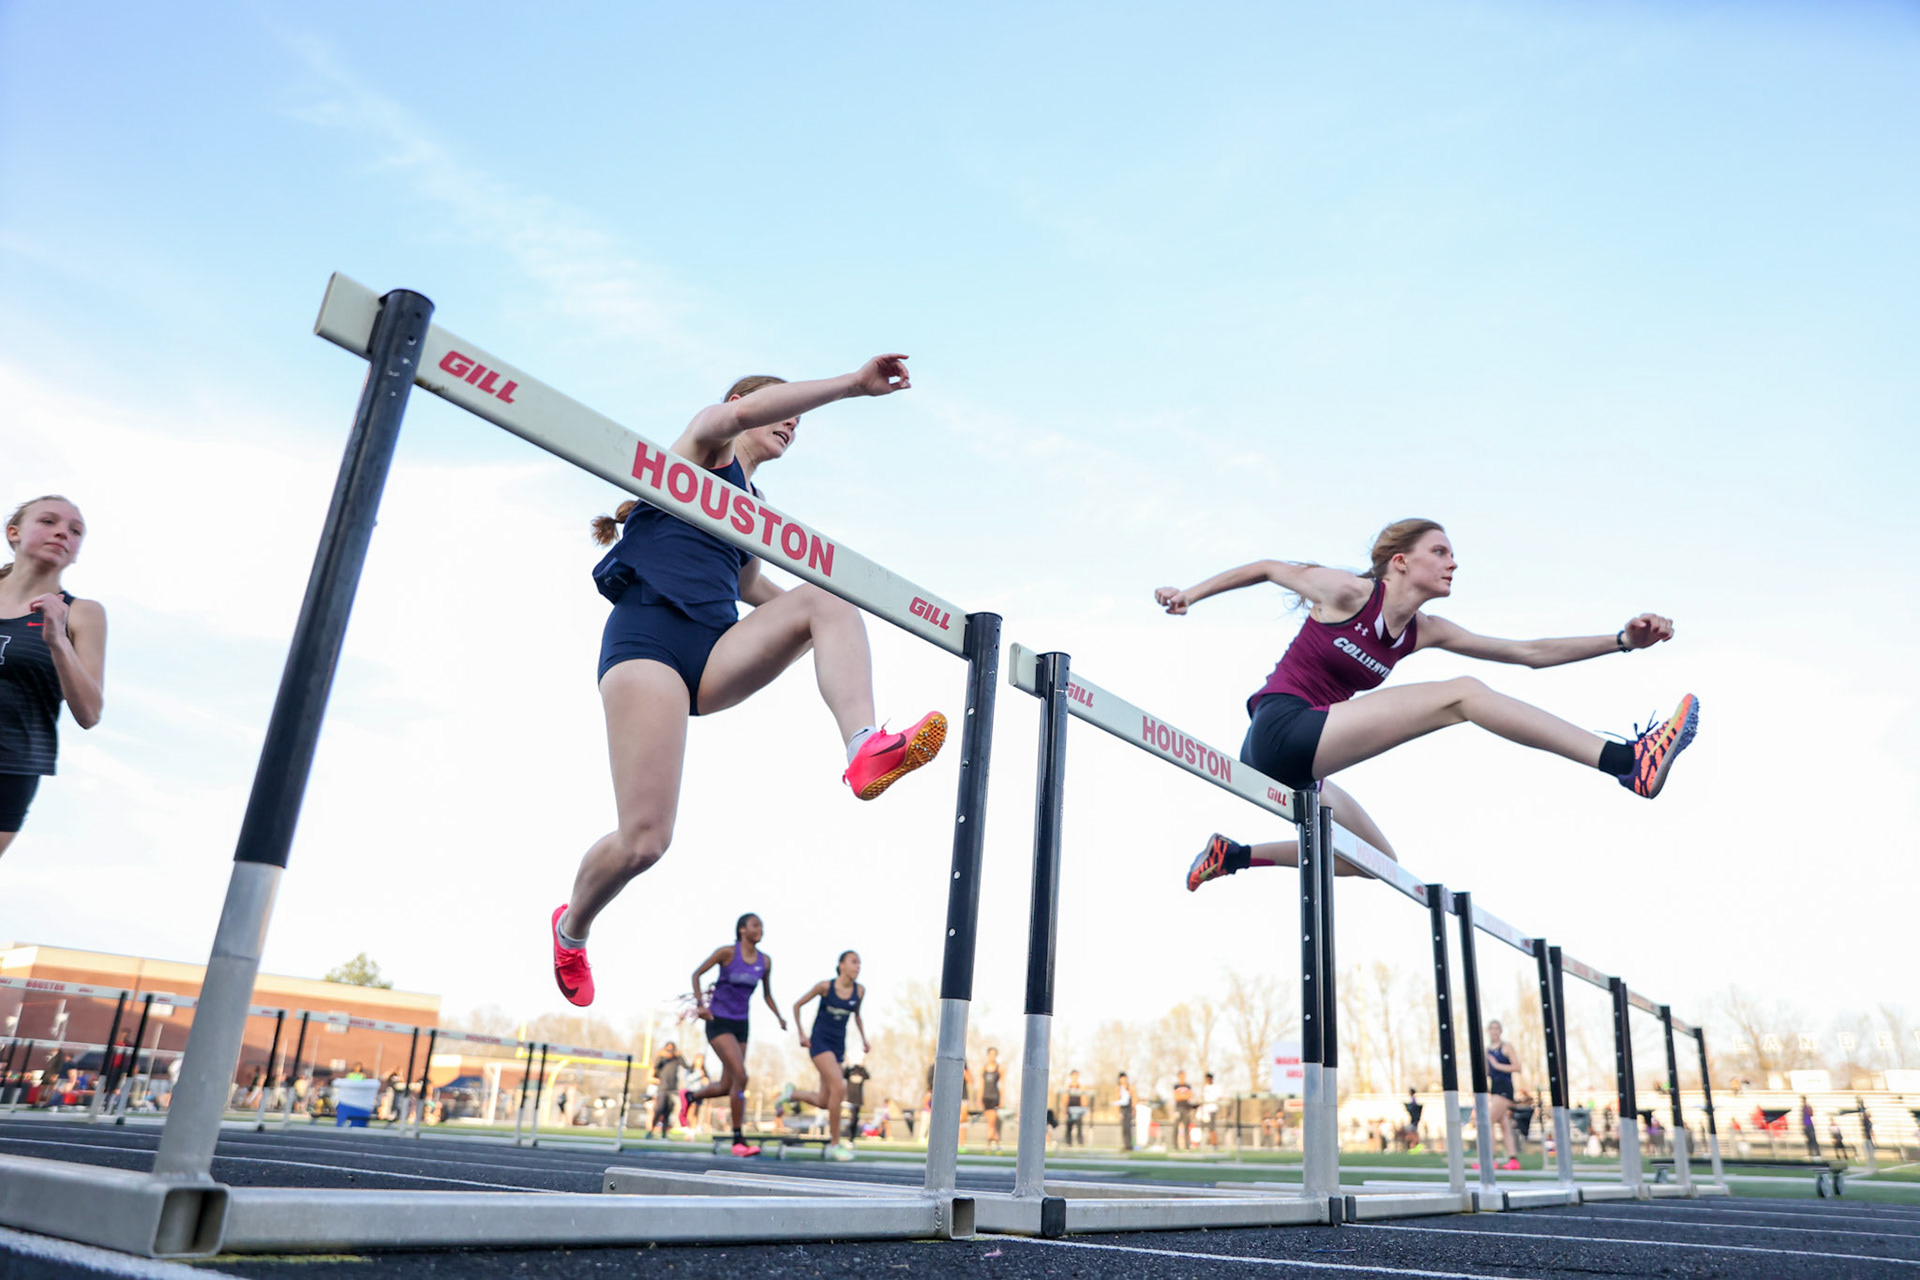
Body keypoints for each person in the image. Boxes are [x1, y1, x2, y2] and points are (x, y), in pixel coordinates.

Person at [550, 365, 947, 1006]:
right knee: (646, 840)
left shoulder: (753, 515)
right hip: (649, 639)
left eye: (798, 421)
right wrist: (852, 386)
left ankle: (864, 748)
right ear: (741, 403)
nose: (792, 423)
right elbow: (731, 420)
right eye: (784, 411)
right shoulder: (703, 446)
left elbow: (755, 591)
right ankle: (572, 929)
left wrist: (832, 629)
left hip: (713, 651)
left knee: (830, 599)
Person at [1155, 521, 1695, 893]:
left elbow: (1527, 653)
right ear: (1400, 562)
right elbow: (1269, 567)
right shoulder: (1347, 594)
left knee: (1375, 863)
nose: (1453, 563)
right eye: (1440, 551)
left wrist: (1622, 641)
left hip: (1307, 760)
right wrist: (1190, 595)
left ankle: (1234, 855)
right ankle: (1627, 762)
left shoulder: (1423, 631)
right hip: (1281, 729)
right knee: (1461, 693)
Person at [0, 496, 107, 861]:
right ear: (14, 533)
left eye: (75, 531)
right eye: (48, 522)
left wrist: (57, 639)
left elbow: (90, 714)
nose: (63, 532)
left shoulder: (82, 613)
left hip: (9, 769)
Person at [683, 913, 787, 1156]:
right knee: (741, 1075)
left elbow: (767, 995)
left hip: (742, 1025)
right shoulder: (727, 953)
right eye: (755, 925)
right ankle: (738, 1141)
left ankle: (691, 1095)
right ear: (742, 930)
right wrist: (701, 1005)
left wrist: (779, 1017)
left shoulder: (765, 961)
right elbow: (696, 974)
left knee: (729, 1084)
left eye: (761, 925)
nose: (760, 929)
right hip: (718, 1021)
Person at [780, 949, 869, 1162]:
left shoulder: (859, 991)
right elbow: (797, 1005)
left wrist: (865, 1039)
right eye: (853, 962)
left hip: (838, 1047)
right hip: (819, 1043)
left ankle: (792, 1094)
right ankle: (835, 1144)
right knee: (840, 1087)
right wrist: (802, 1033)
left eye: (859, 963)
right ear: (841, 965)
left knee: (824, 1100)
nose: (858, 966)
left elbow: (857, 1016)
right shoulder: (825, 987)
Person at [1485, 1020, 1522, 1170]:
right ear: (1488, 1031)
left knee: (1487, 1122)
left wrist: (1496, 1065)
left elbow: (1517, 1067)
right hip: (1494, 1089)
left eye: (1497, 1028)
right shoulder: (1487, 1050)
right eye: (1491, 1029)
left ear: (1501, 1031)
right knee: (1504, 1124)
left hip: (1504, 1088)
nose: (1494, 1031)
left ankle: (1490, 1159)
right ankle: (1513, 1159)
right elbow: (1488, 1071)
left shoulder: (1506, 1047)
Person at [649, 1041, 692, 1137]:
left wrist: (679, 1055)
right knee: (659, 1109)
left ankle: (664, 1133)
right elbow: (656, 1066)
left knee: (668, 1111)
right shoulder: (662, 1060)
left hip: (672, 1089)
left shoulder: (676, 1060)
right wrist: (661, 1055)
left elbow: (686, 1066)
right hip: (663, 1088)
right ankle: (651, 1130)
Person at [334, 1062, 377, 1128]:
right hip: (349, 1097)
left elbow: (362, 1082)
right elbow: (349, 1082)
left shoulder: (362, 1075)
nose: (358, 1068)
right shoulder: (350, 1075)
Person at [980, 1047, 1005, 1152]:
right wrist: (979, 1097)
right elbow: (982, 1084)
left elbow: (1002, 1084)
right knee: (990, 1121)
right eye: (990, 1054)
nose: (992, 1056)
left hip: (995, 1096)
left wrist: (1002, 1098)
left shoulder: (999, 1069)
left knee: (992, 1121)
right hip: (986, 1097)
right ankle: (995, 1141)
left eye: (994, 1054)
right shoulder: (983, 1069)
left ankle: (990, 1142)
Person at [843, 1062, 870, 1143]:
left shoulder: (861, 1071)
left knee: (854, 1119)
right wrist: (847, 1065)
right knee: (849, 1119)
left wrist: (863, 1067)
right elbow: (843, 1075)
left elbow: (867, 1077)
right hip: (849, 1100)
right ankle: (843, 1136)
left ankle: (851, 1138)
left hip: (858, 1100)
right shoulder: (850, 1071)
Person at [1061, 1070, 1089, 1146]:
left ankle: (1080, 1142)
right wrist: (1065, 1110)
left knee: (1079, 1127)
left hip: (1079, 1109)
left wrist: (1083, 1110)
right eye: (1073, 1076)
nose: (1075, 1077)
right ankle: (1068, 1143)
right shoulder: (1068, 1087)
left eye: (1076, 1076)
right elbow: (1065, 1099)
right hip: (1070, 1109)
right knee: (1069, 1126)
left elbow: (1084, 1099)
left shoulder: (1081, 1087)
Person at [1172, 1071, 1195, 1151]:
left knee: (1186, 1127)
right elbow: (1176, 1096)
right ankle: (1175, 1146)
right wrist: (1184, 1096)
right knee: (1176, 1127)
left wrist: (1182, 1096)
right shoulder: (1176, 1086)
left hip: (1186, 1109)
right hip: (1178, 1108)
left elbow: (1190, 1095)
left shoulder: (1188, 1086)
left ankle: (1187, 1146)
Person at [1115, 1072, 1136, 1152]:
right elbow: (1117, 1100)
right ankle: (1125, 1144)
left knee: (1129, 1127)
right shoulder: (1118, 1089)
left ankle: (1130, 1145)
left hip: (1129, 1109)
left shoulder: (1130, 1087)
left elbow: (1134, 1098)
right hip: (1122, 1109)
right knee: (1124, 1128)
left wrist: (1134, 1109)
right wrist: (1118, 1112)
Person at [1201, 1072, 1223, 1148]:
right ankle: (1206, 1143)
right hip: (1206, 1110)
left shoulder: (1216, 1087)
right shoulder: (1205, 1087)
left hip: (1213, 1109)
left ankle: (1214, 1144)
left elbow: (1219, 1097)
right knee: (1205, 1127)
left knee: (1212, 1127)